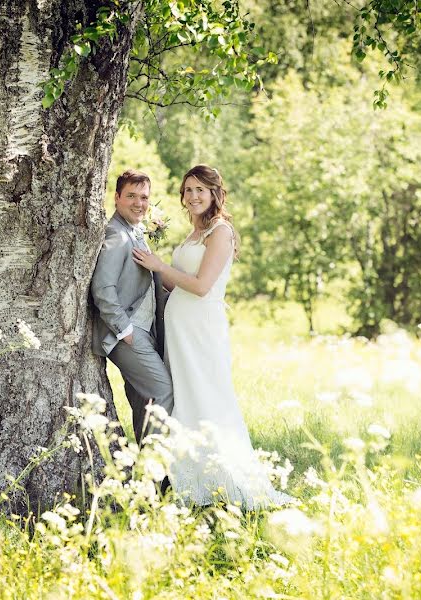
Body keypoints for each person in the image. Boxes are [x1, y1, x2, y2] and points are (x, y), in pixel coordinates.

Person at [132, 165, 293, 509]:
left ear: (215, 193)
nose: (193, 196)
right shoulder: (193, 234)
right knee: (185, 398)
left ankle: (226, 481)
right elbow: (175, 282)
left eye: (200, 190)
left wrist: (159, 266)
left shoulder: (221, 232)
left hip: (201, 331)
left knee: (208, 397)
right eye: (188, 190)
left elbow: (202, 287)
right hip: (180, 331)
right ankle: (191, 477)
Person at [90, 169, 173, 444]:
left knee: (144, 402)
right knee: (163, 390)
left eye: (144, 197)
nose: (139, 203)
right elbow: (103, 288)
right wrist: (124, 330)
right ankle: (153, 474)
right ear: (116, 198)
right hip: (125, 334)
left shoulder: (135, 231)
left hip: (144, 330)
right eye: (131, 196)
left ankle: (149, 480)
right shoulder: (115, 234)